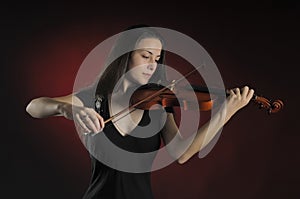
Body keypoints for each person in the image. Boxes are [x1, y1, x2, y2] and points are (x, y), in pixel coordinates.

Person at [26, 24, 254, 199]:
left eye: (157, 59)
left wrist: (226, 112)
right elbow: (34, 106)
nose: (153, 65)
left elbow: (182, 153)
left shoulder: (158, 106)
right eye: (145, 56)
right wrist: (70, 109)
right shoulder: (94, 98)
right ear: (124, 54)